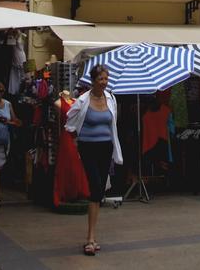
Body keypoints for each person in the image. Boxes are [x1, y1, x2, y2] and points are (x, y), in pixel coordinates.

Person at [65, 64, 123, 257]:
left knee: (97, 191)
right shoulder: (83, 100)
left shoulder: (111, 99)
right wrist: (75, 140)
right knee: (96, 186)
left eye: (106, 79)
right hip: (88, 147)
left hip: (106, 147)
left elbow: (113, 122)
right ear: (93, 81)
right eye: (101, 79)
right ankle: (90, 238)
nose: (104, 83)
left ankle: (93, 235)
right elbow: (69, 121)